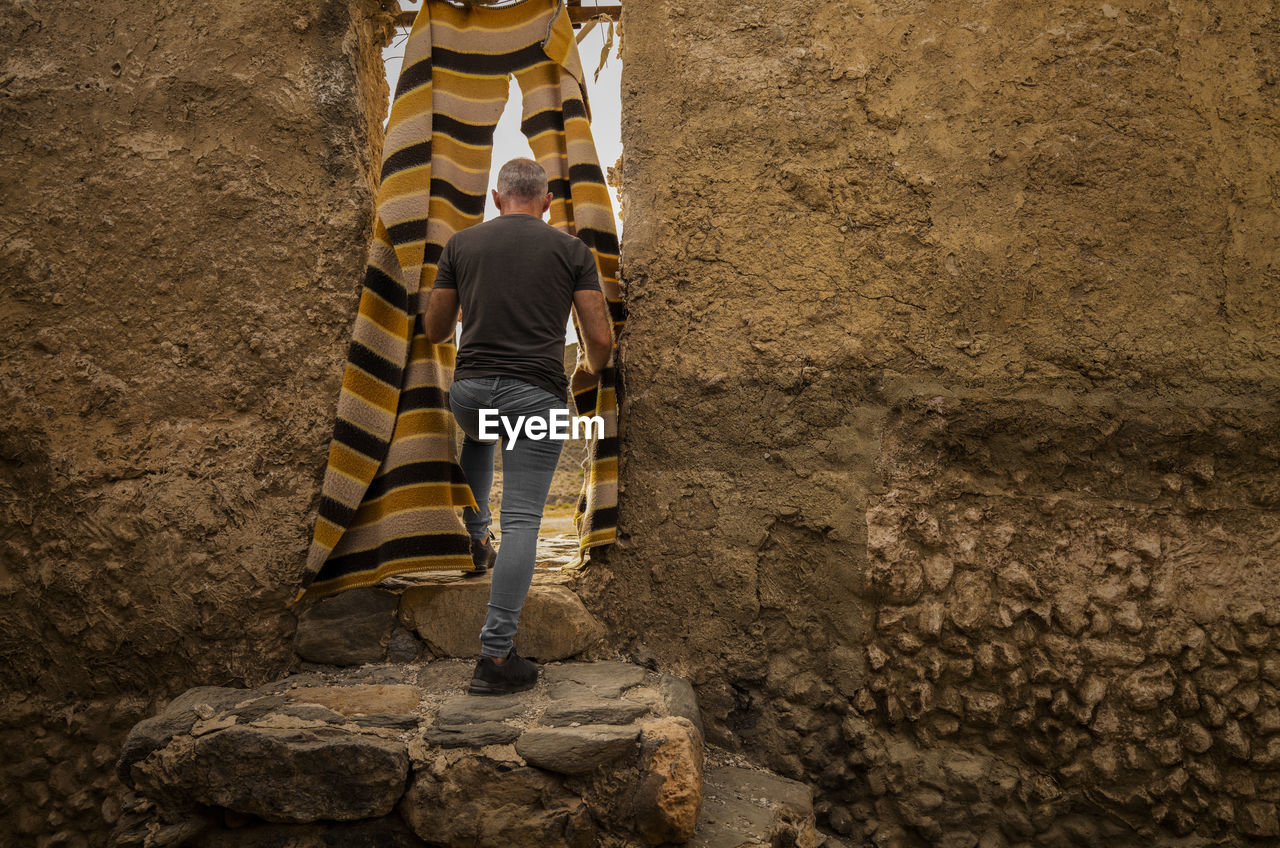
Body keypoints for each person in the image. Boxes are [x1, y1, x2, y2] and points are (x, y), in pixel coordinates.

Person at [424, 158, 614, 695]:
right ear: (548, 200)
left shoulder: (461, 245)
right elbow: (598, 338)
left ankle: (475, 536)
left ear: (495, 197)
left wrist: (472, 302)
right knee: (527, 519)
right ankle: (496, 655)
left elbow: (437, 329)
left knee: (481, 435)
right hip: (534, 399)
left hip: (471, 393)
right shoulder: (572, 250)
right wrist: (590, 371)